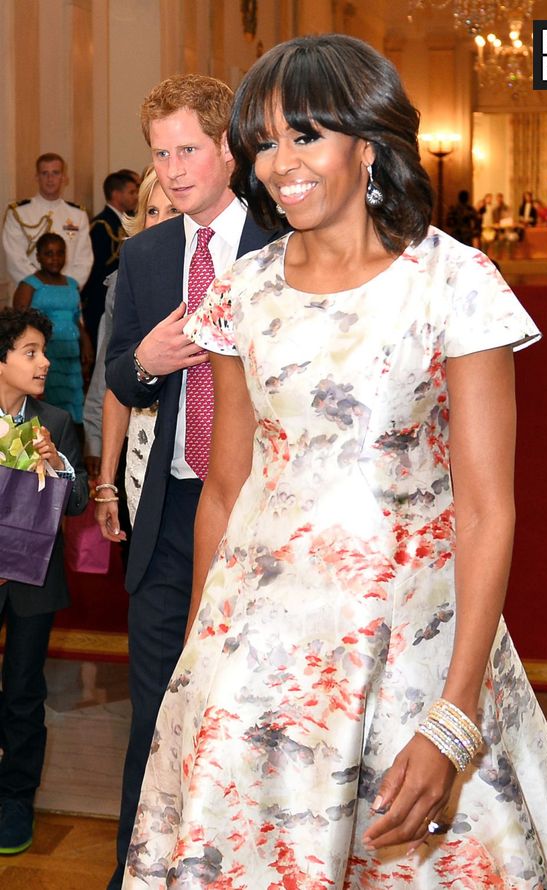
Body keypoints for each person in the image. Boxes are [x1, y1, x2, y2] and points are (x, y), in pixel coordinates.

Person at [123, 35, 547, 889]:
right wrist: (198, 665)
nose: (280, 164)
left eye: (306, 136)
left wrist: (454, 718)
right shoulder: (243, 291)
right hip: (256, 654)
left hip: (413, 649)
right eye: (264, 141)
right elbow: (227, 489)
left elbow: (488, 510)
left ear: (367, 145)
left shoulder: (454, 282)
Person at [104, 73, 284, 890]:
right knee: (158, 713)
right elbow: (118, 375)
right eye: (159, 155)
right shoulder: (143, 255)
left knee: (253, 711)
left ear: (226, 151)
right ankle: (135, 873)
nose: (172, 171)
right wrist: (144, 362)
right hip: (172, 511)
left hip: (265, 513)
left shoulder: (284, 243)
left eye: (186, 151)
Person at [0, 306, 88, 855]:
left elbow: (76, 501)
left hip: (33, 578)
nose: (44, 362)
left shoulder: (54, 421)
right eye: (30, 352)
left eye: (44, 352)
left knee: (25, 692)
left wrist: (57, 466)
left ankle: (16, 801)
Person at [84, 165, 181, 521]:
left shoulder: (219, 274)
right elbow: (110, 382)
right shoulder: (124, 280)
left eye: (173, 210)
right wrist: (105, 480)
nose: (159, 222)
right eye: (152, 211)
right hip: (144, 444)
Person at [12, 233, 92, 425]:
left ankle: (72, 449)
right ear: (38, 256)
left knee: (74, 405)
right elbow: (19, 325)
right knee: (48, 406)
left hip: (71, 355)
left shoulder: (72, 284)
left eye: (60, 253)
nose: (55, 258)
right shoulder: (29, 285)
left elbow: (76, 319)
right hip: (45, 354)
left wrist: (87, 345)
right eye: (49, 254)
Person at [2, 153, 93, 293]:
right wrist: (42, 287)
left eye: (55, 173)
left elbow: (84, 260)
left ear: (64, 177)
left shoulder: (78, 214)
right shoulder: (18, 213)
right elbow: (15, 259)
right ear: (37, 177)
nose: (50, 179)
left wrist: (67, 288)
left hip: (67, 295)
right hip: (29, 295)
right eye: (45, 173)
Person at [81, 171, 140, 349]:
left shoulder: (127, 221)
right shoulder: (101, 225)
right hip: (101, 298)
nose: (136, 197)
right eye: (131, 192)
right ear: (116, 194)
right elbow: (95, 268)